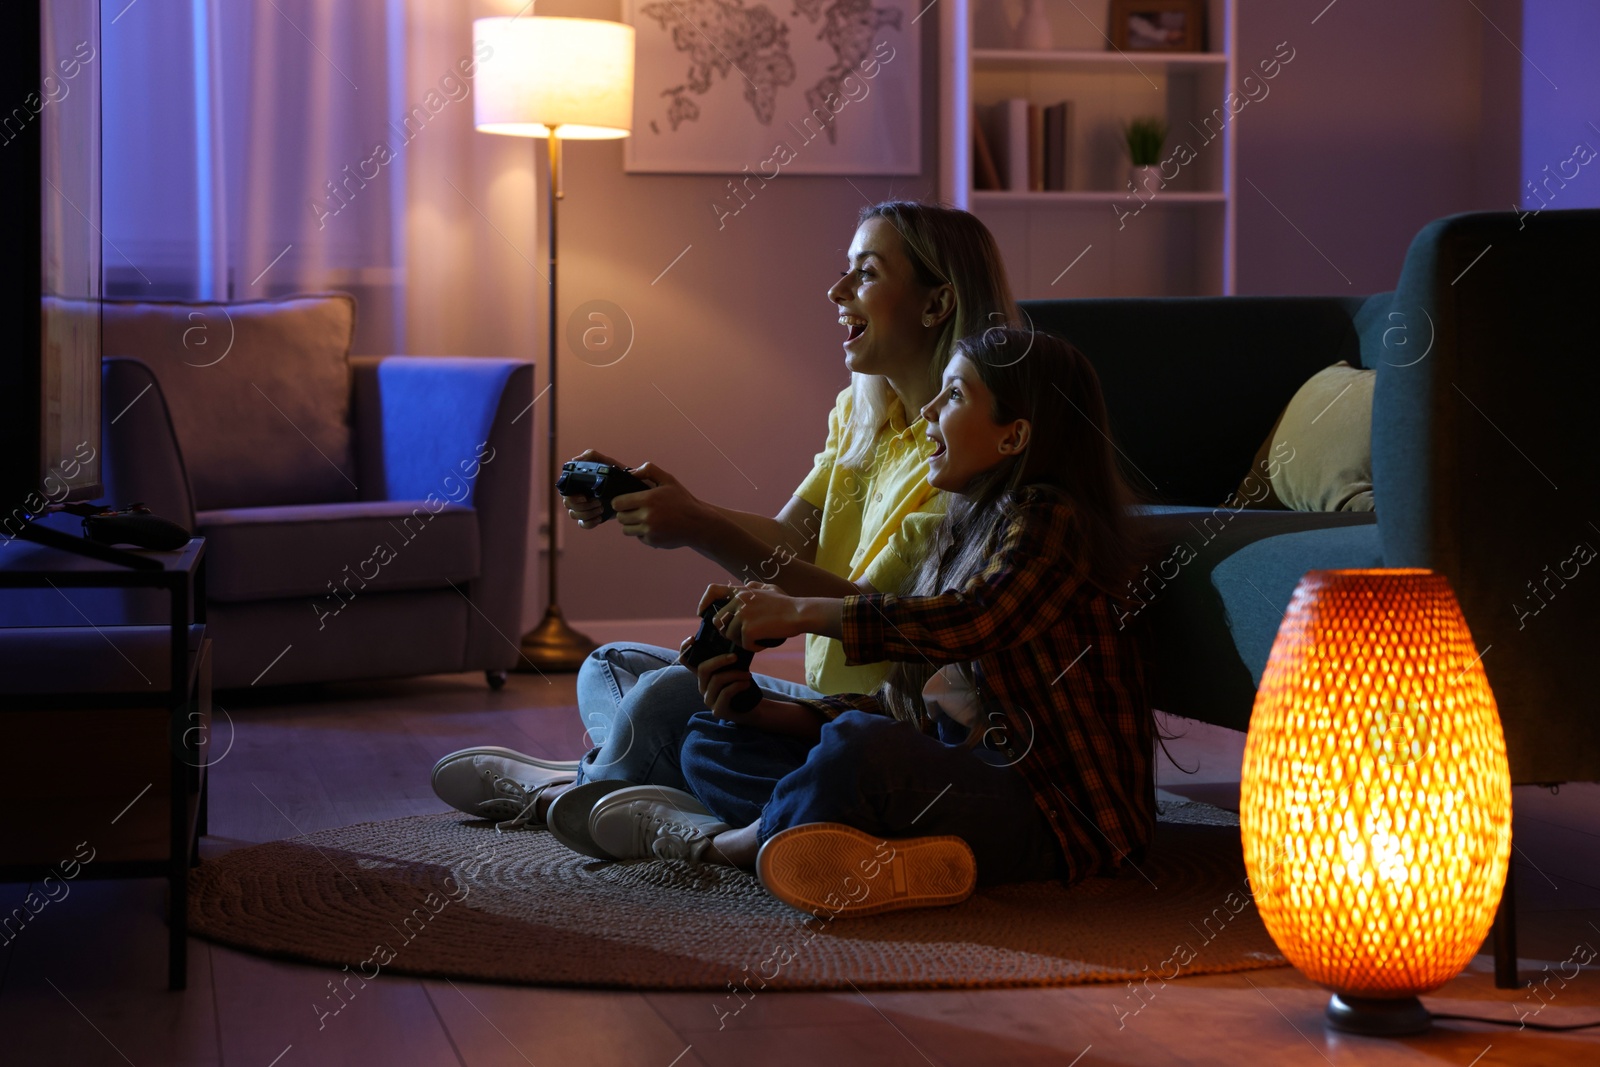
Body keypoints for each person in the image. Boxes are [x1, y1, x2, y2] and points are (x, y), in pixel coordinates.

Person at [430, 201, 1020, 833]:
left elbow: (875, 613)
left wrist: (701, 527)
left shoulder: (959, 452)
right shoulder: (860, 411)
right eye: (846, 269)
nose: (836, 289)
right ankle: (627, 770)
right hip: (824, 703)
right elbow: (788, 541)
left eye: (866, 273)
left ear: (937, 305)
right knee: (611, 664)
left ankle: (571, 791)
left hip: (873, 713)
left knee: (665, 695)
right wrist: (686, 507)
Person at [580, 328, 1157, 918]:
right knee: (712, 740)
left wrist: (800, 611)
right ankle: (875, 851)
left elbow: (973, 621)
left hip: (1055, 816)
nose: (929, 409)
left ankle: (719, 847)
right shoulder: (960, 534)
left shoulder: (1050, 518)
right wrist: (768, 712)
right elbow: (914, 716)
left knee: (860, 751)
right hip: (952, 788)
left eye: (954, 395)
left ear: (1014, 435)